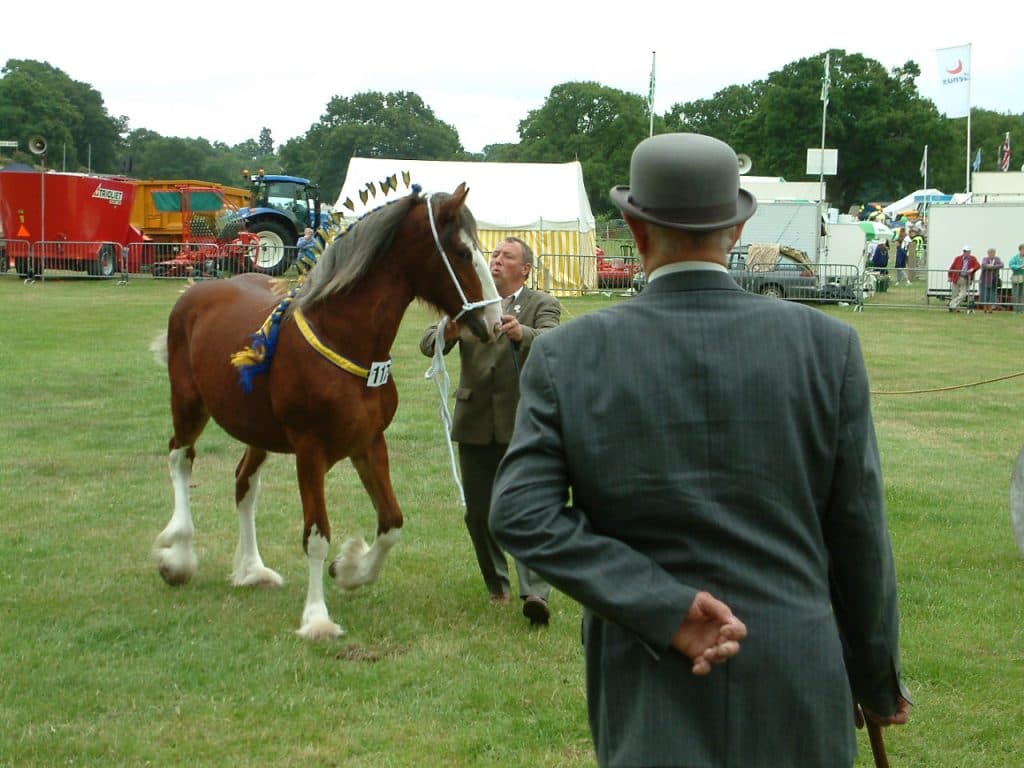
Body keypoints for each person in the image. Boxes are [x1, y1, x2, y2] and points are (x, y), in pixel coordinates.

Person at [490, 133, 910, 767]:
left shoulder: (566, 355)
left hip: (650, 673)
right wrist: (877, 681)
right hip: (794, 672)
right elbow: (859, 541)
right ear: (737, 229)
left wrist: (665, 609)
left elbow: (520, 513)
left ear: (633, 228)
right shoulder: (828, 348)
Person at [419, 237, 561, 625]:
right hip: (475, 421)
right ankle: (497, 586)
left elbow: (553, 342)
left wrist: (524, 335)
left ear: (525, 269)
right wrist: (445, 335)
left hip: (523, 424)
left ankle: (535, 592)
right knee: (479, 514)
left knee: (528, 509)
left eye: (506, 257)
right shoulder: (469, 303)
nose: (496, 261)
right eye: (494, 255)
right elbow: (427, 343)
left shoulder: (541, 304)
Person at [948, 245, 980, 312]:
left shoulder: (973, 258)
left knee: (963, 294)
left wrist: (972, 269)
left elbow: (978, 265)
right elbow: (952, 267)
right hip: (956, 278)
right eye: (965, 251)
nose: (967, 253)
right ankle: (955, 308)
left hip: (965, 279)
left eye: (968, 252)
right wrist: (949, 276)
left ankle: (951, 305)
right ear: (963, 252)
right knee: (954, 294)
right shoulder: (958, 258)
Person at [978, 247, 1004, 313]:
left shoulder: (997, 259)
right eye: (990, 253)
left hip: (993, 281)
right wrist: (988, 266)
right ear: (988, 253)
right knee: (985, 295)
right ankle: (985, 308)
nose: (992, 254)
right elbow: (983, 265)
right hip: (984, 280)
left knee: (991, 295)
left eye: (993, 253)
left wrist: (993, 267)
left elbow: (1001, 265)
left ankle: (990, 309)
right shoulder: (985, 259)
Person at [1009, 243, 1024, 313]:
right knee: (1016, 293)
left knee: (1022, 294)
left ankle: (1021, 310)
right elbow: (1011, 265)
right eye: (1023, 249)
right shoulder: (1015, 257)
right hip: (1016, 277)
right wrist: (1019, 266)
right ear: (1020, 250)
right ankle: (1015, 309)